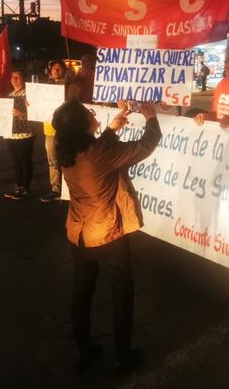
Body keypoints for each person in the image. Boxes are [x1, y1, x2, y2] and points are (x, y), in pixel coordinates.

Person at [53, 99, 161, 372]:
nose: (92, 113)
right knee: (122, 294)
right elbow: (146, 145)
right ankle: (122, 357)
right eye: (88, 113)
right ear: (82, 125)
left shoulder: (66, 150)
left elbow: (97, 149)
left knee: (82, 293)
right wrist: (151, 118)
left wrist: (112, 129)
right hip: (107, 234)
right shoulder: (101, 152)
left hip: (78, 234)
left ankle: (84, 351)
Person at [3, 71, 35, 200]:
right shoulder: (9, 95)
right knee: (15, 161)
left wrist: (21, 114)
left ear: (23, 79)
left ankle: (26, 188)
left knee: (24, 160)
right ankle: (18, 186)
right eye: (12, 77)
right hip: (10, 133)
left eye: (17, 77)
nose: (14, 79)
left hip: (24, 133)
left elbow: (36, 113)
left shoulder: (29, 94)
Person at [40, 61, 68, 202]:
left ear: (64, 71)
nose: (55, 71)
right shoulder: (45, 88)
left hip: (65, 129)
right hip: (49, 130)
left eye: (59, 69)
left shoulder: (69, 87)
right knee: (52, 161)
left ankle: (69, 190)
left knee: (68, 159)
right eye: (53, 69)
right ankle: (56, 189)